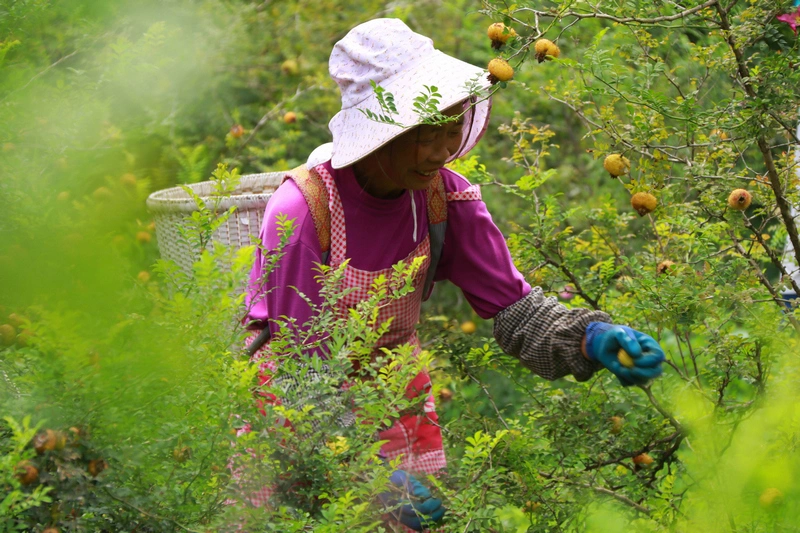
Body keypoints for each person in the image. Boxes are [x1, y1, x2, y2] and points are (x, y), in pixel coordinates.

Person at [243, 18, 665, 532]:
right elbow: (301, 372)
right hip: (300, 413)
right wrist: (367, 474)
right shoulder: (305, 210)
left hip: (391, 401)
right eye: (424, 133)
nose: (441, 150)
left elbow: (517, 310)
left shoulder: (444, 198)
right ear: (381, 130)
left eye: (449, 129)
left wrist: (590, 339)